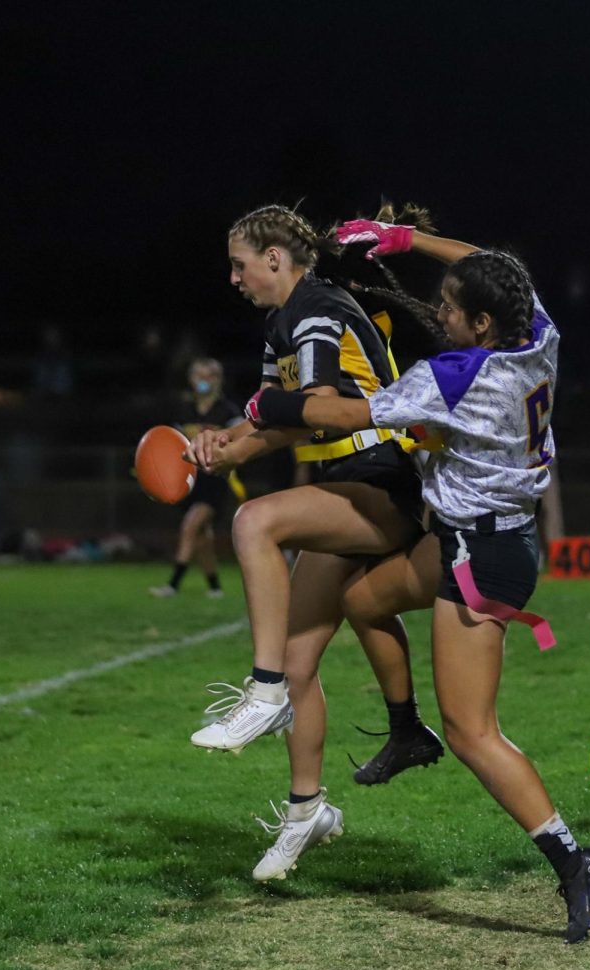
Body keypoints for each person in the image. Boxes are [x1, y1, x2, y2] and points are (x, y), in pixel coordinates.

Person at [250, 220, 590, 943]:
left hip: (483, 558)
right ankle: (404, 730)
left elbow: (346, 412)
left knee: (475, 732)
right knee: (361, 598)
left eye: (449, 308)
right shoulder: (533, 331)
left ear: (481, 323)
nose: (437, 314)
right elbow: (492, 262)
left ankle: (577, 861)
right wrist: (407, 238)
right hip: (469, 537)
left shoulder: (458, 374)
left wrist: (273, 406)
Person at [184, 204, 443, 880]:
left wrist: (248, 430)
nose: (234, 279)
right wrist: (224, 447)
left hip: (386, 483)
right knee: (304, 663)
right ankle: (306, 812)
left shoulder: (316, 305)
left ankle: (263, 692)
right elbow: (279, 423)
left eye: (240, 265)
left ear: (276, 258)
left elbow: (319, 401)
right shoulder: (281, 323)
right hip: (347, 485)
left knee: (254, 522)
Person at [149, 358, 243, 599]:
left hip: (216, 480)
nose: (204, 380)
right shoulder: (184, 410)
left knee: (190, 526)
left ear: (219, 379)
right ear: (191, 379)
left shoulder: (228, 411)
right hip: (191, 482)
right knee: (201, 538)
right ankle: (214, 587)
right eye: (199, 375)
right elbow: (172, 447)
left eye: (210, 375)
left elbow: (239, 443)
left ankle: (172, 585)